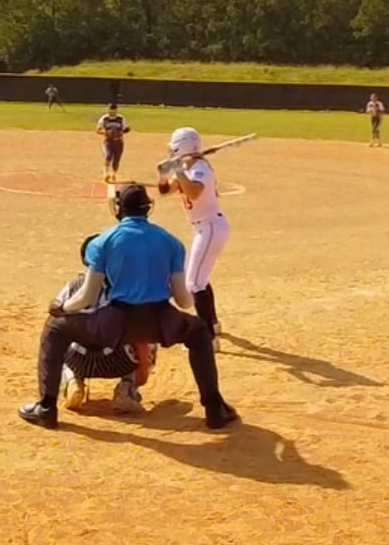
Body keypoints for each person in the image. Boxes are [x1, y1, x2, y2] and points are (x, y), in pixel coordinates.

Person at [20, 182, 237, 431]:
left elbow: (87, 296)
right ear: (148, 208)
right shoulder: (171, 242)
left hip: (117, 322)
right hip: (160, 319)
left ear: (118, 209)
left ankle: (47, 407)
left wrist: (62, 308)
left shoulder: (103, 242)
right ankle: (214, 409)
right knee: (198, 331)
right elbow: (184, 300)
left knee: (56, 328)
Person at [54, 234, 155, 414]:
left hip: (78, 360)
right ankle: (126, 388)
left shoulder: (74, 285)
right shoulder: (126, 288)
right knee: (149, 337)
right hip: (117, 362)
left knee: (60, 335)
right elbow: (141, 335)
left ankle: (72, 380)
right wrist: (144, 368)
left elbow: (55, 318)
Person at [159, 126, 229, 351]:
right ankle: (213, 324)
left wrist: (178, 169)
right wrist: (163, 174)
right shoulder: (188, 168)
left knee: (194, 283)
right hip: (203, 228)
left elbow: (194, 192)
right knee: (199, 278)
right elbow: (164, 191)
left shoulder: (200, 169)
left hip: (210, 226)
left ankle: (209, 338)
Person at [96, 102, 129, 183]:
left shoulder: (121, 118)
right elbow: (98, 130)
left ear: (116, 110)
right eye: (111, 110)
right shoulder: (104, 118)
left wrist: (120, 132)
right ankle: (105, 174)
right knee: (108, 156)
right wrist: (105, 133)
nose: (112, 112)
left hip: (118, 142)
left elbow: (127, 128)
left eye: (114, 111)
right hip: (108, 142)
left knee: (116, 161)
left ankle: (114, 174)